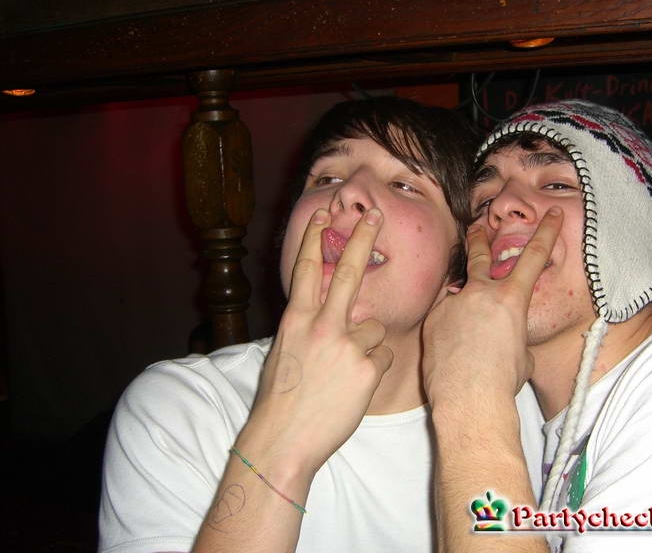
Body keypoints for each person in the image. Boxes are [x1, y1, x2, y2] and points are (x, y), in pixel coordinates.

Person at [98, 97, 547, 553]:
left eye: (405, 184)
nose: (348, 193)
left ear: (463, 264)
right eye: (326, 178)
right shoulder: (186, 408)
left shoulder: (527, 407)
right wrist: (282, 440)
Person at [422, 100, 652, 552]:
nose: (499, 207)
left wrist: (470, 395)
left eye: (557, 184)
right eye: (483, 201)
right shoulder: (555, 432)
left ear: (629, 229)